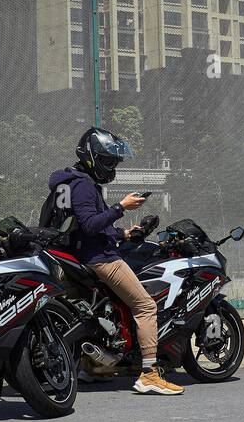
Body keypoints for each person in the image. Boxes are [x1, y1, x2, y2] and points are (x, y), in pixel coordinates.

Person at [48, 127, 184, 395]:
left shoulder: (69, 181)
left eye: (114, 162)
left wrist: (121, 233)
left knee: (104, 312)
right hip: (100, 258)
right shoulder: (84, 185)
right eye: (108, 161)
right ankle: (149, 374)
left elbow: (81, 226)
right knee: (145, 306)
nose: (111, 167)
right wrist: (121, 207)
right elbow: (89, 224)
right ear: (91, 157)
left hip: (79, 255)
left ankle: (93, 368)